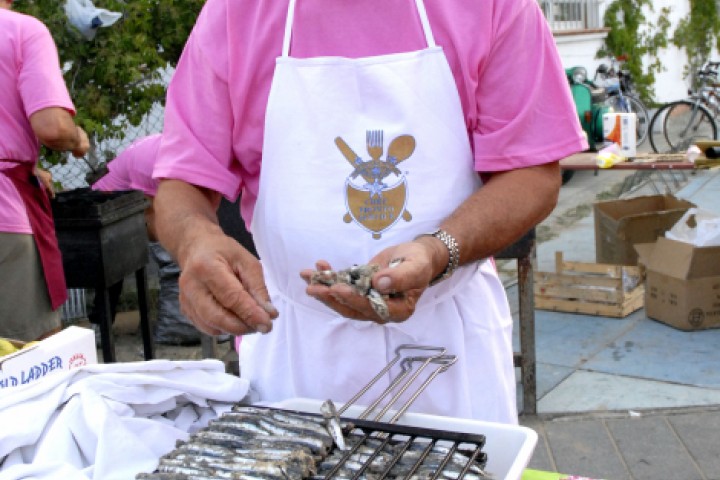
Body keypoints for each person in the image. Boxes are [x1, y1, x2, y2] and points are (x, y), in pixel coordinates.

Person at [153, 0, 587, 423]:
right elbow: (183, 181)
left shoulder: (493, 6)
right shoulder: (235, 12)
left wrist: (438, 252)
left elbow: (533, 173)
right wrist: (197, 243)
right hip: (296, 350)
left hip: (449, 348)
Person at [0, 0, 90, 342]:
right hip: (5, 219)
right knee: (23, 361)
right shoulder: (22, 30)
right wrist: (77, 137)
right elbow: (52, 127)